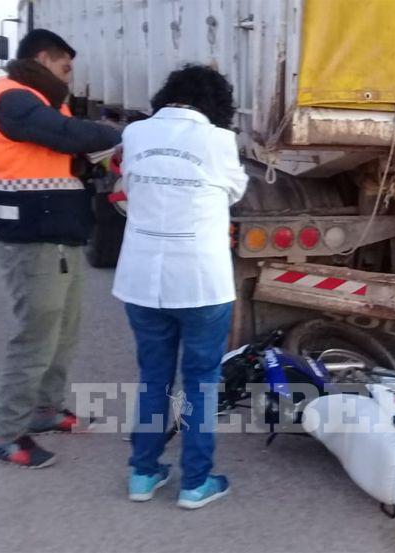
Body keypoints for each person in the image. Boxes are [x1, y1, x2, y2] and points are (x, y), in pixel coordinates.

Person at [0, 29, 121, 468]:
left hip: (59, 233)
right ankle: (9, 433)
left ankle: (46, 410)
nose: (68, 74)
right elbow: (61, 134)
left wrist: (92, 160)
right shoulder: (14, 97)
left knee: (64, 331)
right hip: (31, 236)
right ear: (43, 58)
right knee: (36, 336)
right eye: (65, 65)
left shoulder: (42, 101)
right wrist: (118, 133)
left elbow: (61, 153)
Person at [112, 65, 247, 508]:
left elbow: (130, 186)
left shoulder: (134, 134)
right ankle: (195, 483)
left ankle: (143, 473)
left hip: (141, 277)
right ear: (217, 105)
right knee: (201, 383)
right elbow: (234, 192)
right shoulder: (219, 141)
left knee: (154, 378)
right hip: (201, 282)